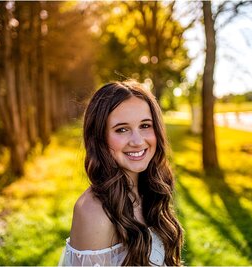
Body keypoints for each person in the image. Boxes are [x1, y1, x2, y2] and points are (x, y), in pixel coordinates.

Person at [59, 81, 183, 266]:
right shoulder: (94, 212)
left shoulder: (149, 191)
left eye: (145, 126)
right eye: (122, 129)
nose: (137, 141)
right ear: (99, 137)